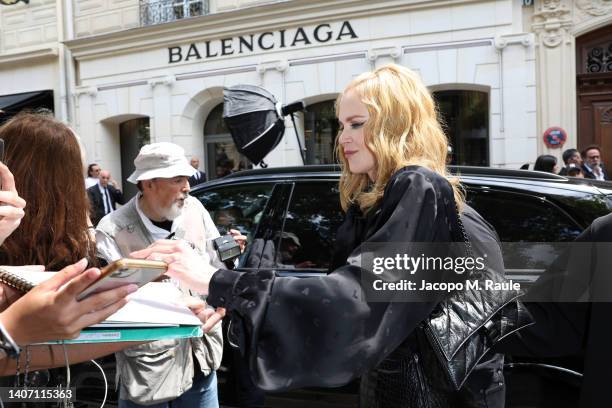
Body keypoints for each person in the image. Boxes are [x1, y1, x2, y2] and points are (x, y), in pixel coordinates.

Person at [132, 65, 514, 407]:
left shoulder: (417, 186)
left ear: (396, 125)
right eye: (342, 124)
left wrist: (215, 279)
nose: (343, 137)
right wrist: (232, 301)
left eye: (357, 123)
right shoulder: (388, 201)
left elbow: (353, 300)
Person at [95, 142, 244, 408]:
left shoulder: (195, 208)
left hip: (201, 359)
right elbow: (110, 303)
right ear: (149, 184)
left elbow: (215, 267)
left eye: (187, 178)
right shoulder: (112, 228)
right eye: (178, 179)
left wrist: (230, 258)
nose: (187, 187)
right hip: (147, 371)